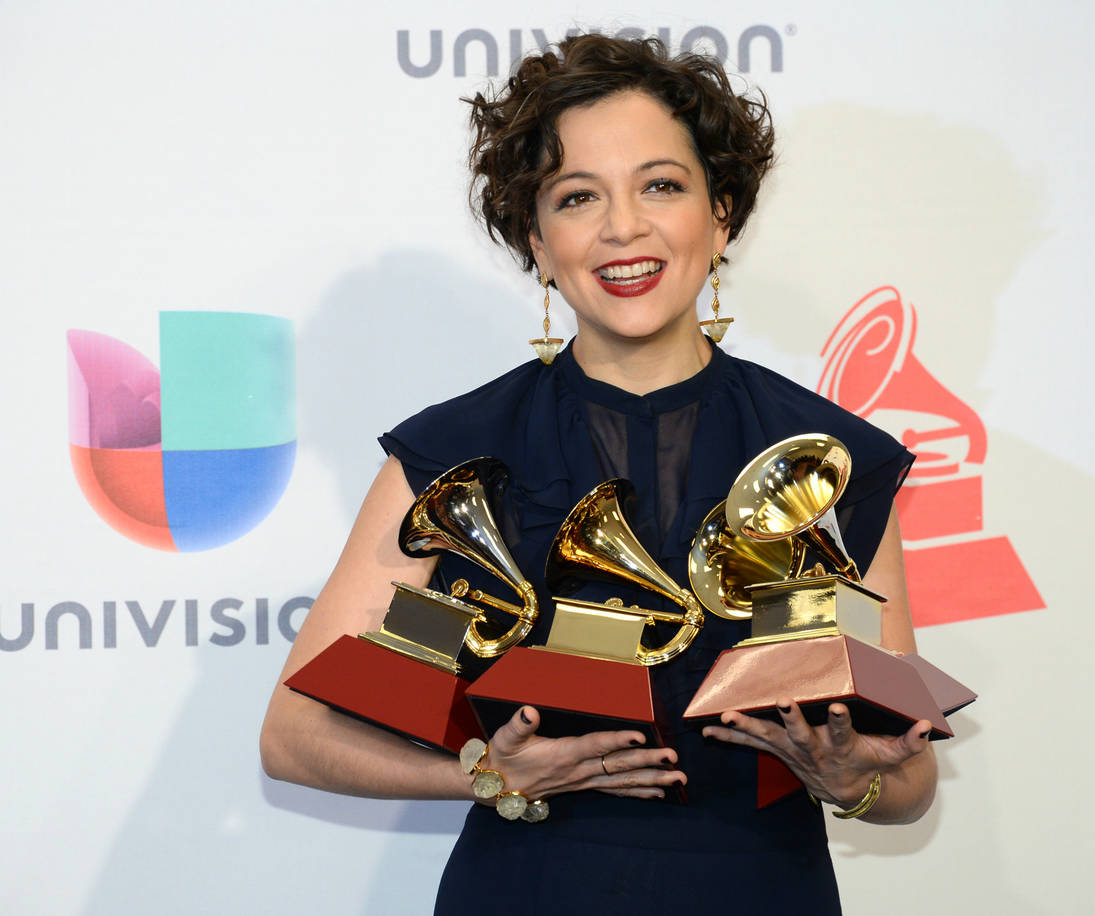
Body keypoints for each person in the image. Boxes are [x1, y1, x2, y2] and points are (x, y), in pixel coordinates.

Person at [260, 34, 936, 914]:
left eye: (661, 185)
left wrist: (852, 778)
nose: (624, 227)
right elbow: (296, 736)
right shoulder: (452, 458)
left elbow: (910, 777)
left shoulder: (826, 460)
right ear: (538, 243)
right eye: (578, 197)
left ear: (721, 215)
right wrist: (483, 773)